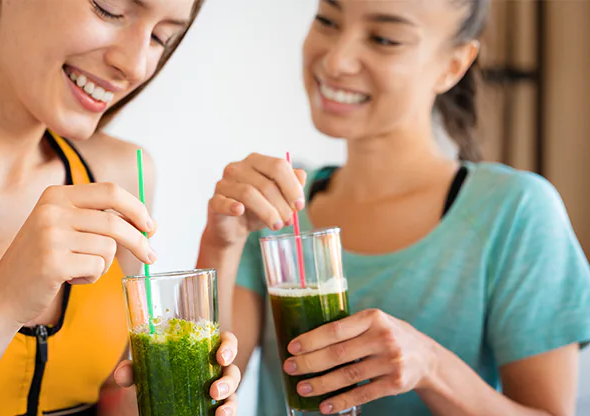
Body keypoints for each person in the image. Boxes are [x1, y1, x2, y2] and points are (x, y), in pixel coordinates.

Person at [0, 0, 240, 415]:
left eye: (162, 37)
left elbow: (117, 399)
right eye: (108, 9)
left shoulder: (121, 175)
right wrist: (1, 302)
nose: (137, 65)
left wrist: (222, 248)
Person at [197, 0, 590, 415]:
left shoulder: (515, 212)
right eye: (327, 21)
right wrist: (222, 241)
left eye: (384, 38)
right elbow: (200, 399)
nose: (336, 60)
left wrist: (430, 366)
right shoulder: (277, 207)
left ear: (453, 65)